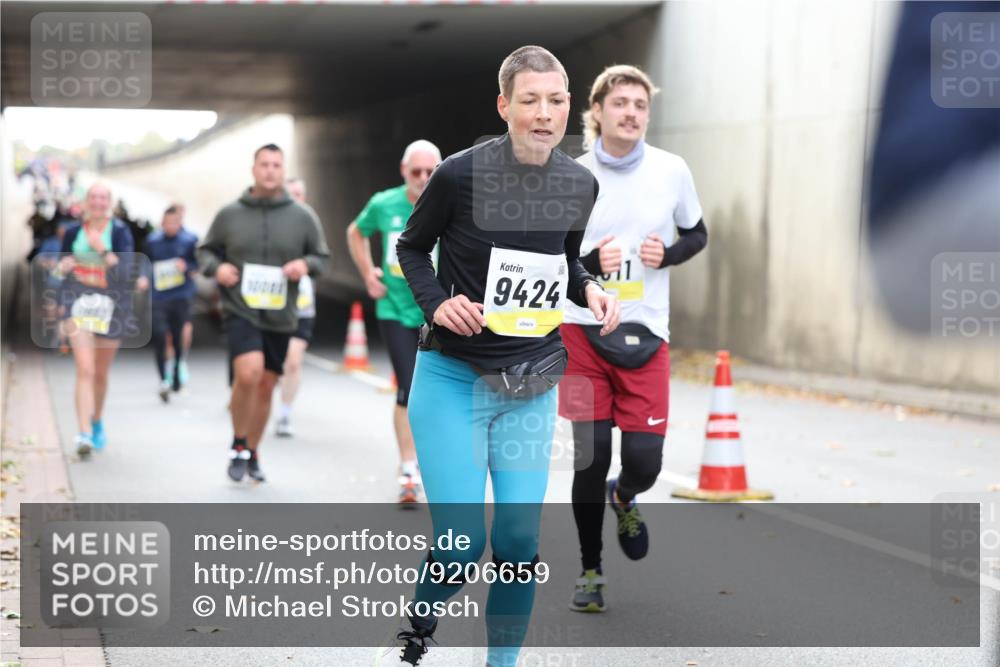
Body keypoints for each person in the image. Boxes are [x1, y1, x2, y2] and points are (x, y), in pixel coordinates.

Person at [378, 45, 619, 667]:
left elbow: (563, 262)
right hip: (454, 380)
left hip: (528, 387)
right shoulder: (460, 174)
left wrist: (590, 286)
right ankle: (419, 627)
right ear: (504, 105)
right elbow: (410, 248)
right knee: (460, 546)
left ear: (570, 105)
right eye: (531, 100)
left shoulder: (578, 183)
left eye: (557, 100)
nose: (545, 113)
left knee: (517, 542)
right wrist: (435, 303)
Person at [559, 65, 708, 613]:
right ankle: (590, 569)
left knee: (644, 459)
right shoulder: (569, 174)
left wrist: (667, 254)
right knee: (588, 457)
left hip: (648, 332)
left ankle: (624, 495)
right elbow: (546, 255)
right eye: (620, 103)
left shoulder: (672, 170)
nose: (631, 113)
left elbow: (698, 232)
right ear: (596, 111)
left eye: (640, 105)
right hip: (579, 332)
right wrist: (589, 264)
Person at [198, 144, 329, 483]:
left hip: (281, 314)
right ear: (253, 169)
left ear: (283, 170)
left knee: (267, 382)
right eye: (264, 164)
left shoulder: (302, 216)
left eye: (276, 165)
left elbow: (321, 258)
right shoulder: (230, 214)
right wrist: (219, 268)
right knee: (248, 372)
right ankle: (238, 441)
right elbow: (206, 252)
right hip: (240, 308)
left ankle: (251, 450)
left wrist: (305, 264)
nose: (270, 170)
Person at [346, 140, 442, 504]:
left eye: (429, 172)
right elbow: (355, 231)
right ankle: (408, 470)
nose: (422, 178)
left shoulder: (448, 202)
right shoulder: (384, 203)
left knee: (436, 392)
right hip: (394, 309)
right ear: (404, 171)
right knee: (408, 387)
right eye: (415, 172)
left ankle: (433, 465)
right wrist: (367, 271)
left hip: (436, 311)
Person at [55, 182, 138, 456]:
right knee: (85, 369)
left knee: (100, 373)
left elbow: (128, 273)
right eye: (94, 197)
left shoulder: (122, 232)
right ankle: (83, 434)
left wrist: (103, 251)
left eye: (104, 198)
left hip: (111, 305)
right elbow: (59, 270)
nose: (98, 202)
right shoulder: (72, 232)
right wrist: (62, 268)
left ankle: (97, 419)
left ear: (109, 203)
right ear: (86, 202)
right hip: (78, 302)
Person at [137, 204, 199, 402]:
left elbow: (198, 265)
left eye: (175, 222)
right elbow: (145, 262)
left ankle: (177, 372)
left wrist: (187, 267)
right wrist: (143, 277)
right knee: (160, 335)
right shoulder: (153, 241)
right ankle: (164, 378)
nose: (170, 226)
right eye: (167, 223)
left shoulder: (190, 240)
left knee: (179, 336)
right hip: (159, 295)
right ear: (162, 223)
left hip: (181, 295)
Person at [275, 177, 316, 437]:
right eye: (292, 194)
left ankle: (285, 413)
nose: (296, 198)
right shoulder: (272, 225)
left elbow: (322, 258)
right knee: (274, 364)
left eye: (300, 193)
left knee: (293, 362)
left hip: (302, 306)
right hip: (274, 305)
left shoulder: (310, 226)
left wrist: (306, 265)